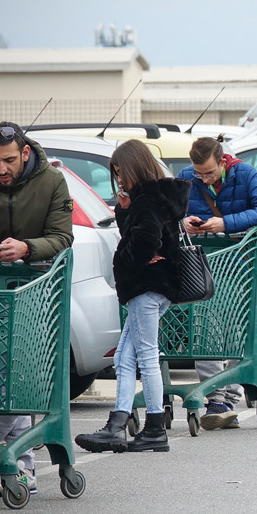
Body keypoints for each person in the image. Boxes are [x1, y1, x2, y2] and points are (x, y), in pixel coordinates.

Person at [74, 140, 190, 454]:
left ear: (133, 167)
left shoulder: (147, 199)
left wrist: (125, 260)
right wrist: (125, 212)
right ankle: (119, 423)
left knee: (145, 357)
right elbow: (144, 234)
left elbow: (143, 240)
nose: (119, 179)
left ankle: (151, 427)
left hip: (147, 286)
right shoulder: (154, 196)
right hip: (157, 286)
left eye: (120, 172)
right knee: (126, 358)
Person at [0, 123, 74, 496]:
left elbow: (63, 237)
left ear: (24, 153)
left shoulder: (52, 180)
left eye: (7, 160)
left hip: (37, 288)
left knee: (18, 373)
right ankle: (21, 465)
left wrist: (27, 248)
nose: (0, 169)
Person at [177, 137, 257, 430]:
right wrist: (183, 222)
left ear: (222, 162)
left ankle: (227, 397)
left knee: (234, 328)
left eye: (208, 173)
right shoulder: (185, 178)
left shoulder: (244, 173)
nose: (203, 178)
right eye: (199, 174)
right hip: (202, 264)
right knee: (205, 326)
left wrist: (226, 222)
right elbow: (170, 213)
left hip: (239, 263)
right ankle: (214, 396)